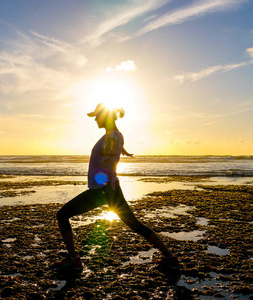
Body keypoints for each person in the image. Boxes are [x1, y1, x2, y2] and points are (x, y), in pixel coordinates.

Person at [53, 103, 179, 271]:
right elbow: (115, 145)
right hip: (112, 188)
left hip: (102, 190)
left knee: (62, 215)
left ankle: (74, 260)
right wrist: (122, 151)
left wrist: (111, 152)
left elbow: (109, 151)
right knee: (134, 224)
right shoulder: (117, 135)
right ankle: (169, 257)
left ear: (105, 117)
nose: (96, 120)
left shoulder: (110, 138)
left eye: (97, 116)